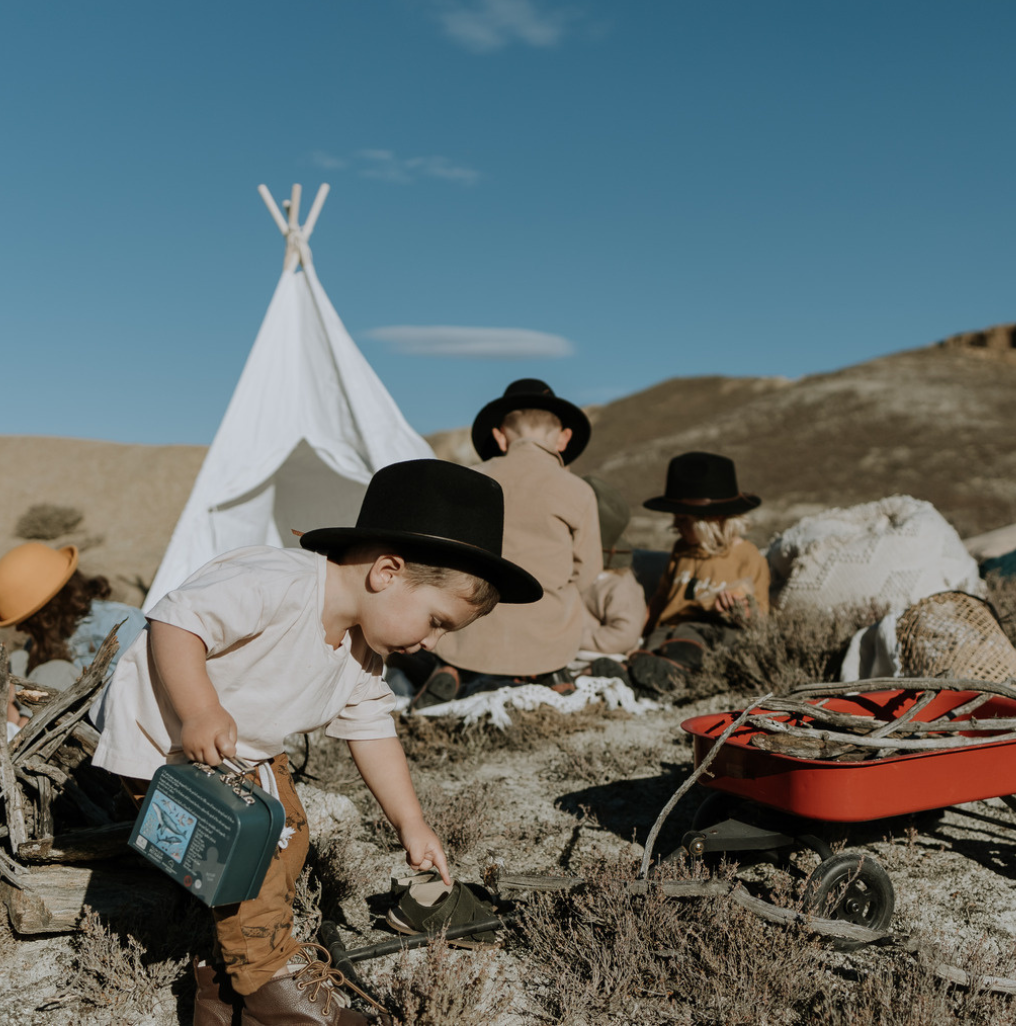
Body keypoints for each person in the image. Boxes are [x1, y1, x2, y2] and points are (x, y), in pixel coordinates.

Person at [89, 460, 541, 1025]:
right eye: (435, 622)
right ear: (387, 572)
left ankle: (226, 998)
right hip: (167, 746)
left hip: (239, 754)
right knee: (250, 851)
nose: (429, 643)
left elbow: (373, 731)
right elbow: (176, 622)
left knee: (290, 836)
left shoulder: (361, 651)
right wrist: (199, 709)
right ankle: (276, 987)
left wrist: (411, 824)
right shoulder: (279, 581)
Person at [393, 378, 602, 707]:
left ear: (500, 437)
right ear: (564, 439)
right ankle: (550, 674)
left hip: (470, 634)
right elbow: (588, 571)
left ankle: (452, 670)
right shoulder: (577, 490)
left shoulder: (470, 479)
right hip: (544, 638)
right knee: (567, 593)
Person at [627, 451, 769, 693]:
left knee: (691, 638)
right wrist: (637, 636)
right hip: (669, 631)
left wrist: (737, 610)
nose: (675, 526)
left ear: (713, 519)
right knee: (657, 643)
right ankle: (645, 671)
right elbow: (661, 598)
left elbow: (760, 618)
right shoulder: (681, 549)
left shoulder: (748, 556)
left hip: (712, 632)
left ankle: (665, 676)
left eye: (683, 519)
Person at [0, 542, 145, 732]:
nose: (19, 629)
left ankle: (18, 738)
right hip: (48, 726)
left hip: (103, 726)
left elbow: (141, 690)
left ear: (45, 612)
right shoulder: (38, 642)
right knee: (19, 659)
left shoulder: (121, 621)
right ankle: (12, 733)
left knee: (56, 670)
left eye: (26, 621)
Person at [578, 475, 647, 659]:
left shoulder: (618, 584)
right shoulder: (580, 574)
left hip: (597, 657)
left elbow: (625, 634)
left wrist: (574, 637)